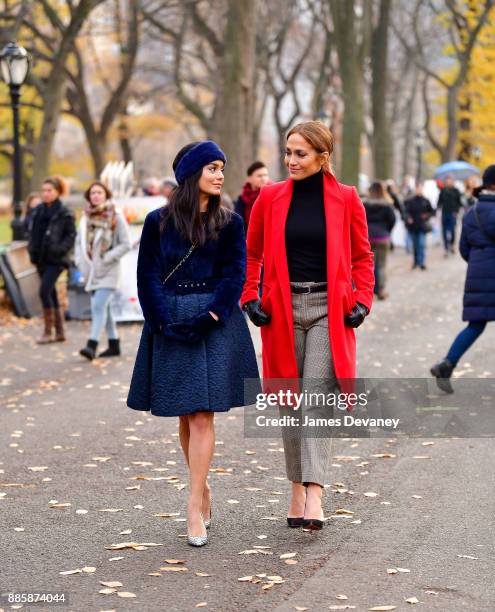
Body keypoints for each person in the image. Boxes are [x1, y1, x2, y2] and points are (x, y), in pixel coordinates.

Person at [241, 121, 374, 531]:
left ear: (322, 156)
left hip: (328, 309)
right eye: (288, 152)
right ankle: (296, 486)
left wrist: (363, 300)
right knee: (290, 399)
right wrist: (249, 297)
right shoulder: (270, 197)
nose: (290, 160)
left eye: (300, 153)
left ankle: (314, 492)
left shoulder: (347, 198)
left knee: (316, 395)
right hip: (281, 308)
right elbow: (252, 255)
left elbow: (362, 257)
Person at [127, 140, 259, 546]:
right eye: (213, 168)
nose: (220, 175)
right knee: (186, 413)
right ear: (191, 174)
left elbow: (234, 273)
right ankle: (202, 487)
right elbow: (146, 274)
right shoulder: (157, 221)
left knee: (203, 415)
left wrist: (213, 315)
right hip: (169, 319)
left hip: (215, 322)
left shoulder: (230, 221)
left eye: (222, 167)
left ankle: (191, 506)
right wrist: (162, 321)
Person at [431, 164, 495, 393]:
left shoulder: (471, 213)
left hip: (478, 275)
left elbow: (464, 248)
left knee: (475, 325)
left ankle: (447, 364)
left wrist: (480, 264)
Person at [75, 182, 131, 360]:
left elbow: (126, 244)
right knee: (104, 309)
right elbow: (79, 243)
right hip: (90, 271)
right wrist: (80, 261)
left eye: (99, 192)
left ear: (106, 195)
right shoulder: (85, 218)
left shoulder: (116, 216)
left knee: (97, 306)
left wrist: (107, 257)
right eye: (92, 193)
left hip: (109, 271)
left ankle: (92, 345)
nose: (96, 196)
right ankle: (114, 344)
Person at [28, 177, 76, 344]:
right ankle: (60, 332)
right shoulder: (38, 210)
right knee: (51, 293)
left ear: (58, 192)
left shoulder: (64, 211)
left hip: (56, 260)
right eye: (44, 190)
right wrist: (32, 250)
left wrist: (59, 250)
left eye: (50, 190)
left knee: (44, 291)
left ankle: (48, 331)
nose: (46, 193)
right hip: (40, 258)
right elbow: (32, 233)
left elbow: (71, 235)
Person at [363, 181, 396, 300]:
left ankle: (367, 291)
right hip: (382, 237)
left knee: (368, 266)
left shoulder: (365, 204)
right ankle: (381, 290)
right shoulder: (387, 205)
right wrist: (386, 231)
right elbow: (392, 220)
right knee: (381, 266)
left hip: (367, 237)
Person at [404, 183, 435, 270]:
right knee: (415, 246)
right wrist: (408, 218)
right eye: (417, 189)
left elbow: (432, 212)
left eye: (420, 189)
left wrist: (427, 215)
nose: (419, 190)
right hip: (413, 227)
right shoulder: (410, 201)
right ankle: (415, 262)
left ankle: (421, 263)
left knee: (421, 244)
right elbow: (406, 212)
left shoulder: (426, 200)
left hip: (422, 226)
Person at [234, 161, 270, 232]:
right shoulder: (242, 199)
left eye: (265, 175)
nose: (263, 179)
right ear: (249, 179)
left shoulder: (274, 196)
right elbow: (238, 225)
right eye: (259, 176)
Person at [437, 174, 463, 256]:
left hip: (453, 213)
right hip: (445, 213)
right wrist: (438, 209)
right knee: (444, 231)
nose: (449, 182)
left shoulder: (456, 191)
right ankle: (446, 248)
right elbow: (439, 202)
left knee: (452, 230)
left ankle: (452, 245)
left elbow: (460, 203)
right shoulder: (443, 191)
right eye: (447, 180)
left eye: (450, 180)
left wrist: (457, 211)